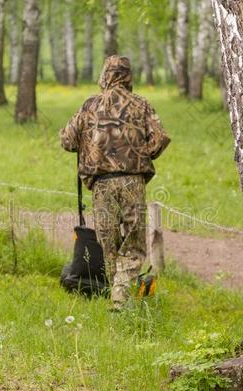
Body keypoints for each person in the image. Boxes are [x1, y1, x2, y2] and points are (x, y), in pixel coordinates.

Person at [59, 55, 170, 310]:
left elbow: (67, 140)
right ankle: (121, 296)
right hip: (133, 182)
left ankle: (118, 295)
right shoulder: (142, 105)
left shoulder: (90, 105)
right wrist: (143, 152)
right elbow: (160, 138)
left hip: (102, 185)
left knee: (108, 244)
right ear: (129, 77)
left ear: (104, 75)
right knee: (133, 242)